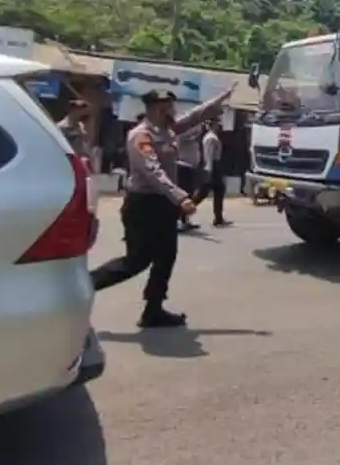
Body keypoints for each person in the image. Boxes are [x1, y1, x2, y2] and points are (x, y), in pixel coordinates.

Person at [91, 85, 236, 328]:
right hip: (143, 205)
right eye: (163, 108)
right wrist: (181, 197)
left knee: (166, 257)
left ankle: (153, 309)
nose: (169, 111)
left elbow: (195, 116)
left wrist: (220, 99)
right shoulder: (141, 135)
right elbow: (152, 172)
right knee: (136, 261)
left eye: (171, 107)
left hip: (163, 205)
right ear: (150, 109)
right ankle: (86, 285)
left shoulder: (167, 130)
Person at [191, 119, 231, 227]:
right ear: (213, 125)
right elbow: (209, 155)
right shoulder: (211, 138)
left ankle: (218, 218)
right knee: (203, 193)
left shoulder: (213, 137)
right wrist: (210, 170)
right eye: (218, 124)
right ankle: (184, 211)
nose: (220, 126)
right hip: (212, 167)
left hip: (213, 167)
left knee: (218, 191)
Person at [176, 125, 204, 231]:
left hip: (190, 167)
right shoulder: (182, 136)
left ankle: (185, 219)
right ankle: (178, 220)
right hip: (183, 166)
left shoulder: (193, 139)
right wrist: (195, 133)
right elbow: (186, 136)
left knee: (189, 194)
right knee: (182, 196)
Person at [57, 99, 92, 167]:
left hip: (79, 160)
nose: (81, 113)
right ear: (73, 110)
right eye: (79, 110)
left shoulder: (80, 126)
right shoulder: (62, 126)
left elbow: (84, 142)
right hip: (67, 160)